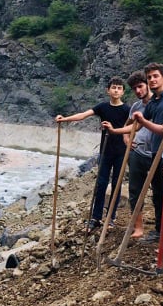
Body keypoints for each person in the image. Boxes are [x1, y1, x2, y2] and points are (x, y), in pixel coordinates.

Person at [56, 78, 131, 229]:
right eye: (113, 88)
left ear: (123, 91)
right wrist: (64, 119)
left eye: (119, 88)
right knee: (101, 184)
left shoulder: (127, 110)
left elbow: (134, 126)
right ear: (108, 90)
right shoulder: (102, 107)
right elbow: (83, 115)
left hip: (121, 152)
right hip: (105, 152)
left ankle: (110, 217)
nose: (116, 90)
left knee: (116, 185)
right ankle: (96, 218)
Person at [131, 62, 163, 244]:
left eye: (155, 76)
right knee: (158, 193)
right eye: (149, 77)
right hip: (156, 152)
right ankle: (160, 231)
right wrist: (118, 132)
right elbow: (139, 124)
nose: (152, 80)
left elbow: (160, 127)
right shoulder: (153, 102)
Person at [120, 72, 151, 238]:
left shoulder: (158, 104)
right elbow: (128, 124)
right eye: (134, 89)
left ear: (147, 84)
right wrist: (126, 138)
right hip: (137, 151)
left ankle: (162, 229)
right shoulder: (136, 107)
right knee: (135, 190)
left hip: (155, 153)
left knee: (160, 193)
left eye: (140, 86)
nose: (138, 91)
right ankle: (138, 227)